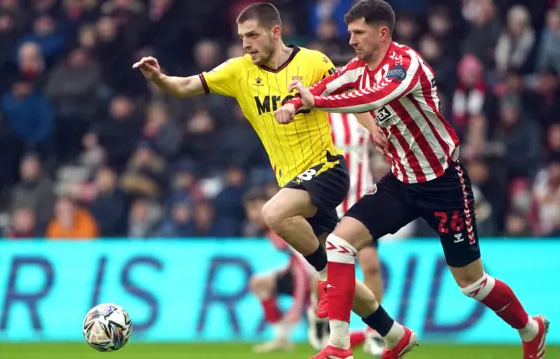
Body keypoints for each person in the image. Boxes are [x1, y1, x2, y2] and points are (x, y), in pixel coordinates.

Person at [275, 1, 549, 359]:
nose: (352, 39)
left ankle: (531, 328)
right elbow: (329, 84)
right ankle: (339, 346)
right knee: (339, 244)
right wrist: (297, 103)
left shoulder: (405, 66)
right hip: (401, 182)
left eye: (359, 32)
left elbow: (371, 98)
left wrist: (316, 103)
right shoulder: (360, 67)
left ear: (382, 33)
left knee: (472, 285)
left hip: (443, 185)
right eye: (350, 32)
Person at [133, 1, 395, 349]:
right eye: (242, 37)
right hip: (295, 183)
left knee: (273, 213)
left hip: (328, 169)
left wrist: (373, 128)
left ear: (275, 31)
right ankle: (394, 333)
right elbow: (184, 87)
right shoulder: (238, 71)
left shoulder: (313, 62)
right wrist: (159, 78)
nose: (246, 43)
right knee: (342, 270)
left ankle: (323, 279)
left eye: (253, 35)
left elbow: (347, 98)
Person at [307, 112, 387, 356]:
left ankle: (375, 330)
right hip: (330, 202)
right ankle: (317, 312)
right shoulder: (318, 115)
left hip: (363, 202)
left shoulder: (365, 111)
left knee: (371, 265)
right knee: (327, 270)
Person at [243, 188, 312, 353]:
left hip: (319, 276)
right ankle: (281, 337)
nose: (253, 215)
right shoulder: (270, 230)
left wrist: (297, 306)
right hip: (307, 272)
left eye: (256, 207)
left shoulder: (281, 225)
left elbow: (303, 267)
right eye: (249, 210)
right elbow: (298, 261)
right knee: (259, 283)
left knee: (321, 328)